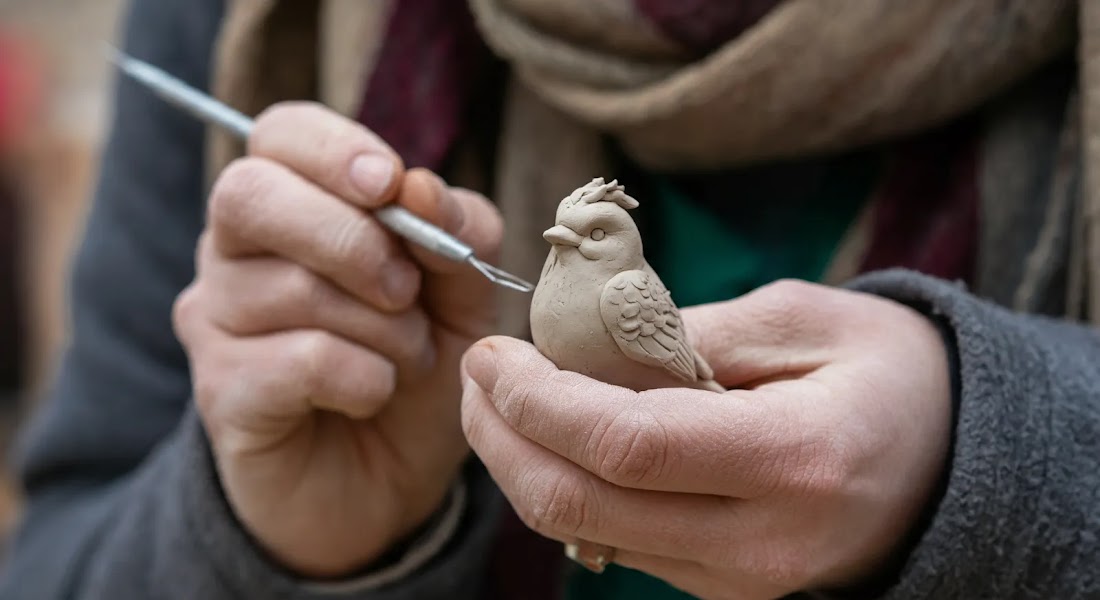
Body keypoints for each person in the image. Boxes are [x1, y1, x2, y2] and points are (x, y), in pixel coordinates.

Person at [0, 0, 1097, 598]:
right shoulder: (235, 19)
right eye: (568, 233)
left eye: (590, 234)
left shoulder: (626, 303)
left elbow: (676, 360)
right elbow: (50, 565)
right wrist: (262, 539)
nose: (566, 244)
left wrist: (989, 458)